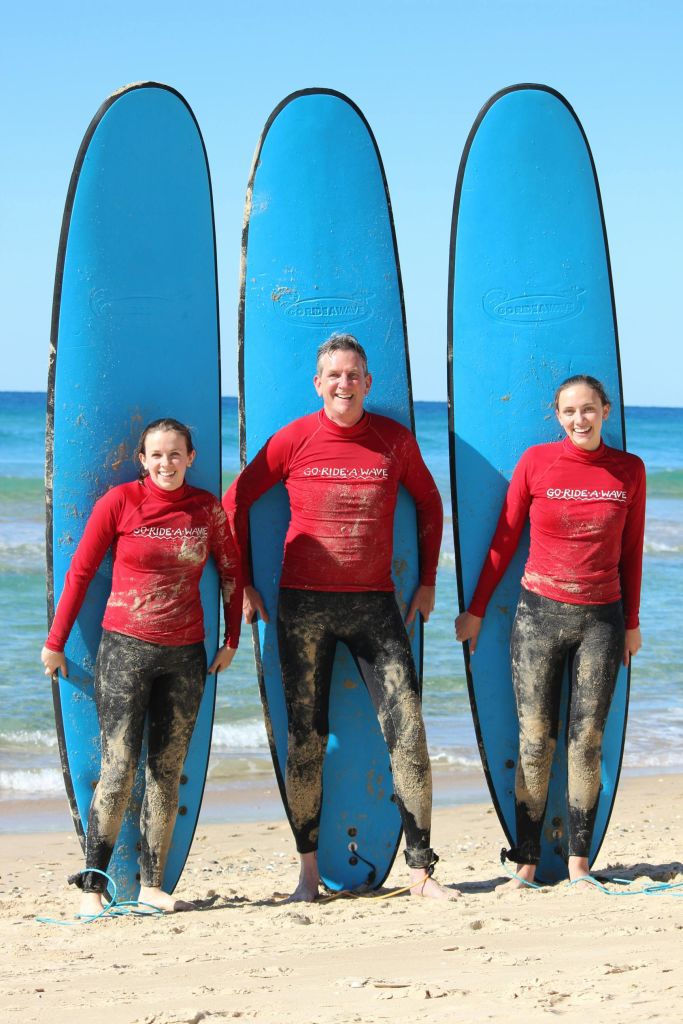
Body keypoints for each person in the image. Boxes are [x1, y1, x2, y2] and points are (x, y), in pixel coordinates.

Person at [224, 333, 456, 901]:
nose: (344, 384)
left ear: (368, 383)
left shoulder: (393, 441)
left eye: (353, 375)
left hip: (375, 604)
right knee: (306, 739)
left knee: (408, 732)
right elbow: (235, 501)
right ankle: (308, 876)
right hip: (303, 605)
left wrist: (427, 581)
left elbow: (429, 502)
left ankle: (421, 872)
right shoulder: (295, 439)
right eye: (334, 375)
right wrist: (245, 585)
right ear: (318, 383)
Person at [41, 418, 242, 915]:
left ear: (191, 458)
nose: (165, 464)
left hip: (185, 656)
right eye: (156, 455)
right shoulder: (121, 503)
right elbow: (82, 571)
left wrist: (232, 639)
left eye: (175, 455)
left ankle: (152, 884)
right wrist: (55, 641)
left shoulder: (206, 510)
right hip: (126, 650)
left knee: (166, 771)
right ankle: (92, 888)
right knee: (118, 770)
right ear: (142, 459)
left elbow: (232, 572)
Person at [455, 375, 646, 889]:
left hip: (602, 620)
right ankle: (526, 863)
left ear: (606, 410)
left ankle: (581, 865)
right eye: (569, 412)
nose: (579, 420)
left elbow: (631, 551)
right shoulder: (536, 463)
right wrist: (475, 610)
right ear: (556, 416)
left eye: (588, 410)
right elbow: (504, 538)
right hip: (539, 615)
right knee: (536, 741)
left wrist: (631, 623)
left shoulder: (629, 471)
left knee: (587, 742)